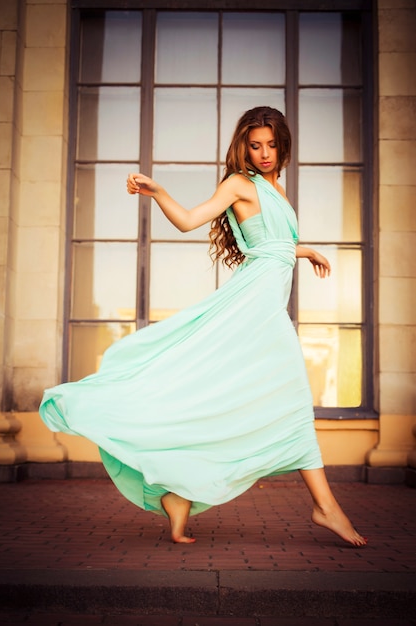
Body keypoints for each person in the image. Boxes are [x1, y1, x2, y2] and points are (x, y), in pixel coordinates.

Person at [39, 106, 367, 547]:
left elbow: (275, 245)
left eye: (271, 144)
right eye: (255, 145)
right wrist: (158, 192)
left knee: (251, 401)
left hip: (267, 307)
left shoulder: (275, 187)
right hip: (254, 307)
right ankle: (325, 507)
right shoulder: (239, 184)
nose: (265, 153)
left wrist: (306, 251)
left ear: (282, 145)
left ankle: (178, 495)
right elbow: (191, 220)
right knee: (291, 398)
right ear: (243, 147)